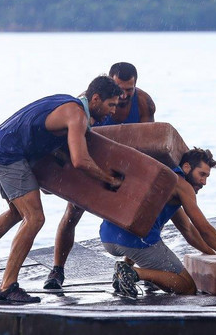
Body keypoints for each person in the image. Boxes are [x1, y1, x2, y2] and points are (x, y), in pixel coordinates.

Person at [0, 75, 125, 304]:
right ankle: (7, 288)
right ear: (95, 99)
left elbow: (49, 143)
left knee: (17, 213)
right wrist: (109, 180)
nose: (112, 111)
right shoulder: (77, 115)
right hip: (8, 154)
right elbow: (80, 160)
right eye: (110, 104)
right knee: (34, 218)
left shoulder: (70, 104)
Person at [43, 62, 155, 289]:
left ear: (136, 86)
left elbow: (150, 143)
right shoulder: (86, 102)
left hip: (128, 165)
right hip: (93, 161)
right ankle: (57, 270)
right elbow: (70, 141)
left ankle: (129, 268)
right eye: (119, 89)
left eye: (129, 90)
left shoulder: (144, 102)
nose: (123, 96)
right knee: (72, 213)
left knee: (141, 215)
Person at [105, 147, 216, 298]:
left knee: (154, 227)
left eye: (207, 177)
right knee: (187, 286)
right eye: (202, 174)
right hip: (133, 241)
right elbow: (203, 228)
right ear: (186, 167)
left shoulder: (165, 180)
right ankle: (133, 273)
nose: (204, 182)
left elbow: (188, 230)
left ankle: (126, 268)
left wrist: (213, 256)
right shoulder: (182, 186)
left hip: (108, 237)